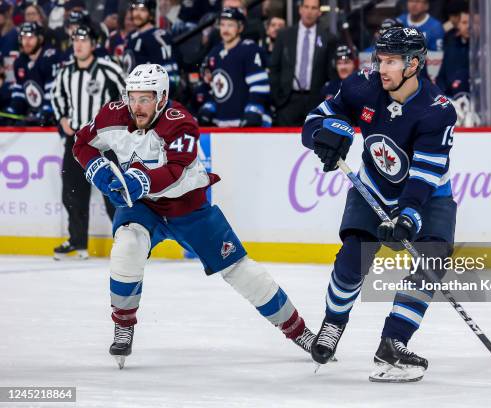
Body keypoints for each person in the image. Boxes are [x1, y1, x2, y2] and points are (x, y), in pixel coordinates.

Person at [72, 63, 316, 368]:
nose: (137, 106)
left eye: (145, 98)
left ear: (161, 98)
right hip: (142, 205)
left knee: (240, 269)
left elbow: (175, 170)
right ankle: (123, 324)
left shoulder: (180, 123)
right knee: (127, 245)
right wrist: (97, 170)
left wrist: (141, 179)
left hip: (186, 206)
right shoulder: (112, 115)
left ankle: (298, 330)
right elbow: (82, 143)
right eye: (133, 97)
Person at [302, 27, 457, 382]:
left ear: (414, 64)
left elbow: (423, 175)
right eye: (380, 59)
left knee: (431, 260)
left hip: (429, 195)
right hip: (372, 185)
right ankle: (333, 324)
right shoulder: (361, 86)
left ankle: (393, 343)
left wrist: (408, 215)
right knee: (353, 258)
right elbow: (313, 120)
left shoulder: (438, 111)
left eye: (391, 61)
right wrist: (324, 135)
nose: (381, 68)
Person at [51, 24, 125, 260]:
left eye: (83, 40)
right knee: (72, 193)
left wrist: (116, 125)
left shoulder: (108, 69)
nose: (78, 44)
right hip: (76, 142)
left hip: (104, 142)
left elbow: (127, 96)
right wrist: (62, 118)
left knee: (113, 193)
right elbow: (56, 97)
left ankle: (125, 243)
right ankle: (78, 242)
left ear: (93, 44)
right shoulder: (65, 72)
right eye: (75, 40)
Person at [198, 8, 271, 127]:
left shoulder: (249, 50)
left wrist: (254, 110)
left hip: (243, 122)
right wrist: (209, 106)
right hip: (220, 123)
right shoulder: (214, 52)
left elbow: (260, 85)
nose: (225, 29)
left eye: (230, 25)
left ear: (240, 28)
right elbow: (212, 87)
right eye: (222, 25)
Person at [269, 0, 337, 126]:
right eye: (306, 7)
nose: (309, 11)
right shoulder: (284, 35)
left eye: (313, 8)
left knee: (313, 144)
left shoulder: (328, 38)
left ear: (319, 12)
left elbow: (331, 73)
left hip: (316, 102)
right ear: (300, 9)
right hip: (287, 102)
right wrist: (277, 98)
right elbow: (274, 68)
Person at [6, 22, 62, 125]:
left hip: (57, 117)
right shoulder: (20, 62)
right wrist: (13, 110)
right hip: (34, 115)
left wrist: (47, 110)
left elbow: (54, 90)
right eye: (23, 38)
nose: (26, 42)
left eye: (30, 37)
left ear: (40, 39)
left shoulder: (50, 57)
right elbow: (19, 91)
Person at [123, 0, 179, 91]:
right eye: (135, 9)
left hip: (150, 95)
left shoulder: (158, 36)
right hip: (131, 93)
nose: (137, 14)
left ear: (151, 13)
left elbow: (169, 74)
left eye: (143, 10)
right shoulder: (130, 37)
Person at [436, 10, 469, 97]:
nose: (469, 26)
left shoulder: (485, 49)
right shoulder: (451, 47)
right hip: (451, 98)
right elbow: (441, 77)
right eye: (464, 22)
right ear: (458, 25)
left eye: (473, 23)